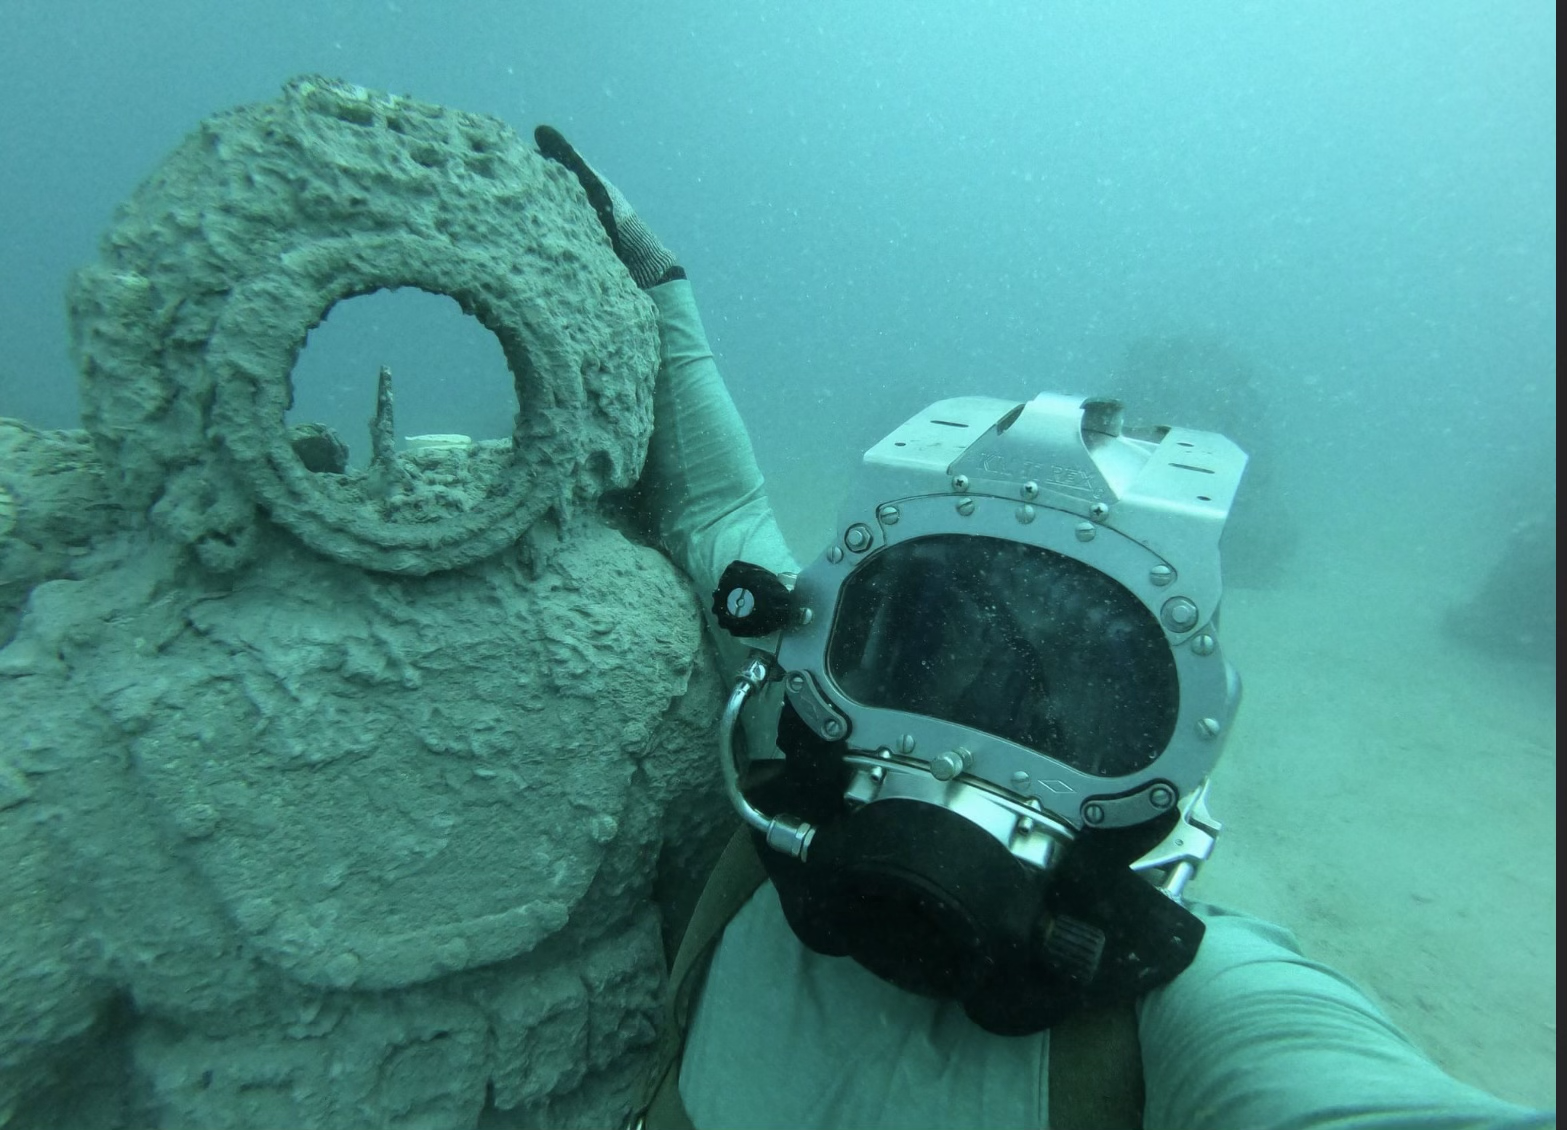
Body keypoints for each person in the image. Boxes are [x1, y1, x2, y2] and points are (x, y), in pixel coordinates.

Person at [532, 127, 1555, 1130]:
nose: (971, 732)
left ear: (1172, 744)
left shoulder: (1195, 1005)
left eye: (1071, 699)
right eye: (927, 647)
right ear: (826, 647)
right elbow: (715, 509)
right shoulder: (784, 777)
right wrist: (658, 284)